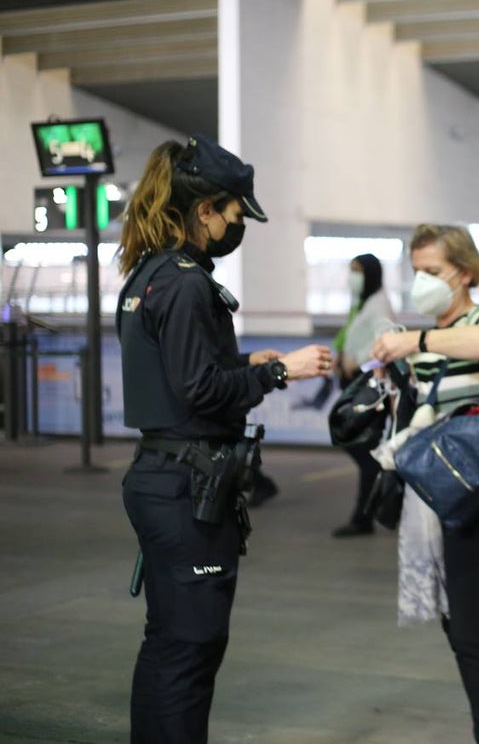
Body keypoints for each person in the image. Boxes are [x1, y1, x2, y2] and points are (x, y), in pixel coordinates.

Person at [115, 134, 332, 744]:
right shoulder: (186, 283)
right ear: (205, 208)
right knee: (190, 648)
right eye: (234, 213)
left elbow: (178, 373)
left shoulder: (148, 275)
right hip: (187, 486)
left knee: (171, 642)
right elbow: (200, 391)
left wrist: (242, 363)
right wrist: (278, 370)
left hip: (162, 476)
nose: (238, 226)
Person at [369, 223, 479, 744]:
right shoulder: (427, 342)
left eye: (432, 272)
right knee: (459, 628)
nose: (422, 282)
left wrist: (414, 340)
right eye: (416, 272)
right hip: (438, 495)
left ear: (464, 273)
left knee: (474, 632)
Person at [331, 253, 398, 537]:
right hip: (355, 382)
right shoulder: (361, 305)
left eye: (357, 271)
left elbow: (384, 343)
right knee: (361, 446)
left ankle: (367, 515)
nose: (352, 277)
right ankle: (368, 513)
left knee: (363, 448)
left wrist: (359, 362)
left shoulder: (379, 306)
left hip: (369, 385)